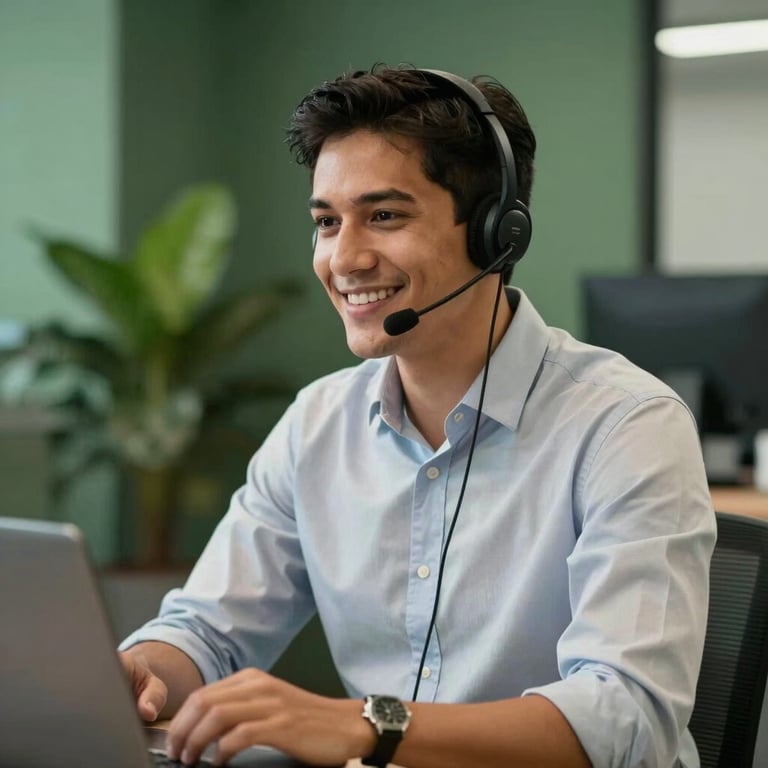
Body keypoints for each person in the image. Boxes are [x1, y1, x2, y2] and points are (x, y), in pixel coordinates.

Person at [119, 65, 716, 768]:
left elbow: (625, 718)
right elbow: (207, 631)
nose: (344, 258)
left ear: (499, 232)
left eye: (384, 216)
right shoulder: (318, 424)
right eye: (325, 222)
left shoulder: (626, 424)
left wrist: (373, 725)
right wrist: (142, 677)